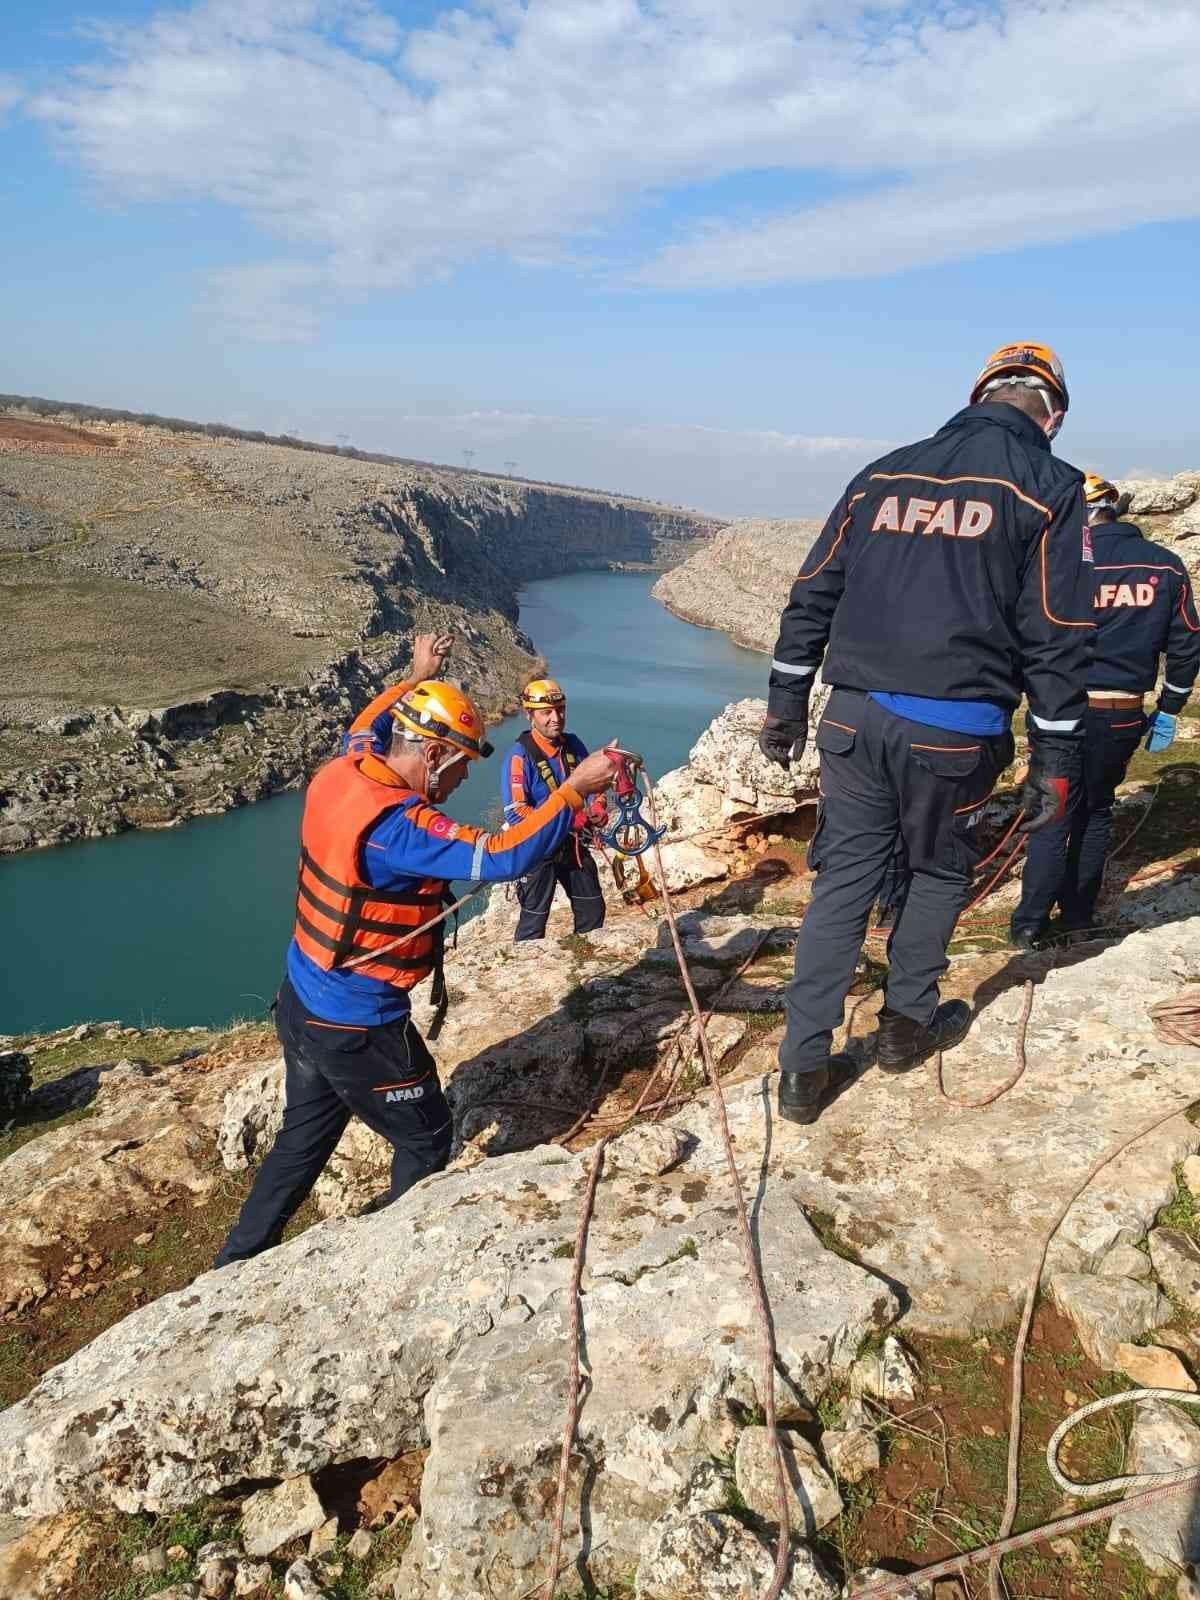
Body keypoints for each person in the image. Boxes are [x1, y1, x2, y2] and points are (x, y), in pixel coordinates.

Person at [760, 342, 1094, 1126]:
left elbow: (813, 591)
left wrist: (785, 698)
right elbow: (1058, 630)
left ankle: (803, 1072)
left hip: (851, 716)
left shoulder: (885, 471)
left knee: (842, 884)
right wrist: (1058, 755)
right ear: (1053, 412)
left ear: (979, 394)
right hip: (954, 726)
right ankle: (907, 1028)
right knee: (940, 872)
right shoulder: (1051, 487)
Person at [214, 643, 618, 1266]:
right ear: (430, 752)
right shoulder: (400, 830)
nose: (461, 781)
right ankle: (396, 1257)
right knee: (428, 1139)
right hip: (360, 1024)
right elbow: (506, 855)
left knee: (301, 1143)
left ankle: (236, 1261)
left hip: (302, 1002)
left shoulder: (343, 773)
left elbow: (366, 725)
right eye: (457, 766)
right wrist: (570, 792)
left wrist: (417, 678)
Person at [1010, 474, 1200, 947]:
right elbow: (1187, 644)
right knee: (1095, 810)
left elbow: (1027, 633)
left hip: (1061, 713)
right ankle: (1077, 916)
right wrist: (1170, 705)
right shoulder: (1167, 567)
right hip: (1121, 713)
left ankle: (1030, 923)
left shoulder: (1064, 562)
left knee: (1054, 812)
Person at [503, 677, 609, 941]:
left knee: (592, 908)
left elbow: (595, 784)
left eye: (560, 710)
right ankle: (526, 971)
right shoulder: (520, 757)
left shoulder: (573, 746)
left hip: (571, 844)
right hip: (538, 849)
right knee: (534, 920)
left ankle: (587, 963)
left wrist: (598, 806)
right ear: (530, 716)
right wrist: (564, 821)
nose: (556, 718)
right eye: (546, 712)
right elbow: (516, 813)